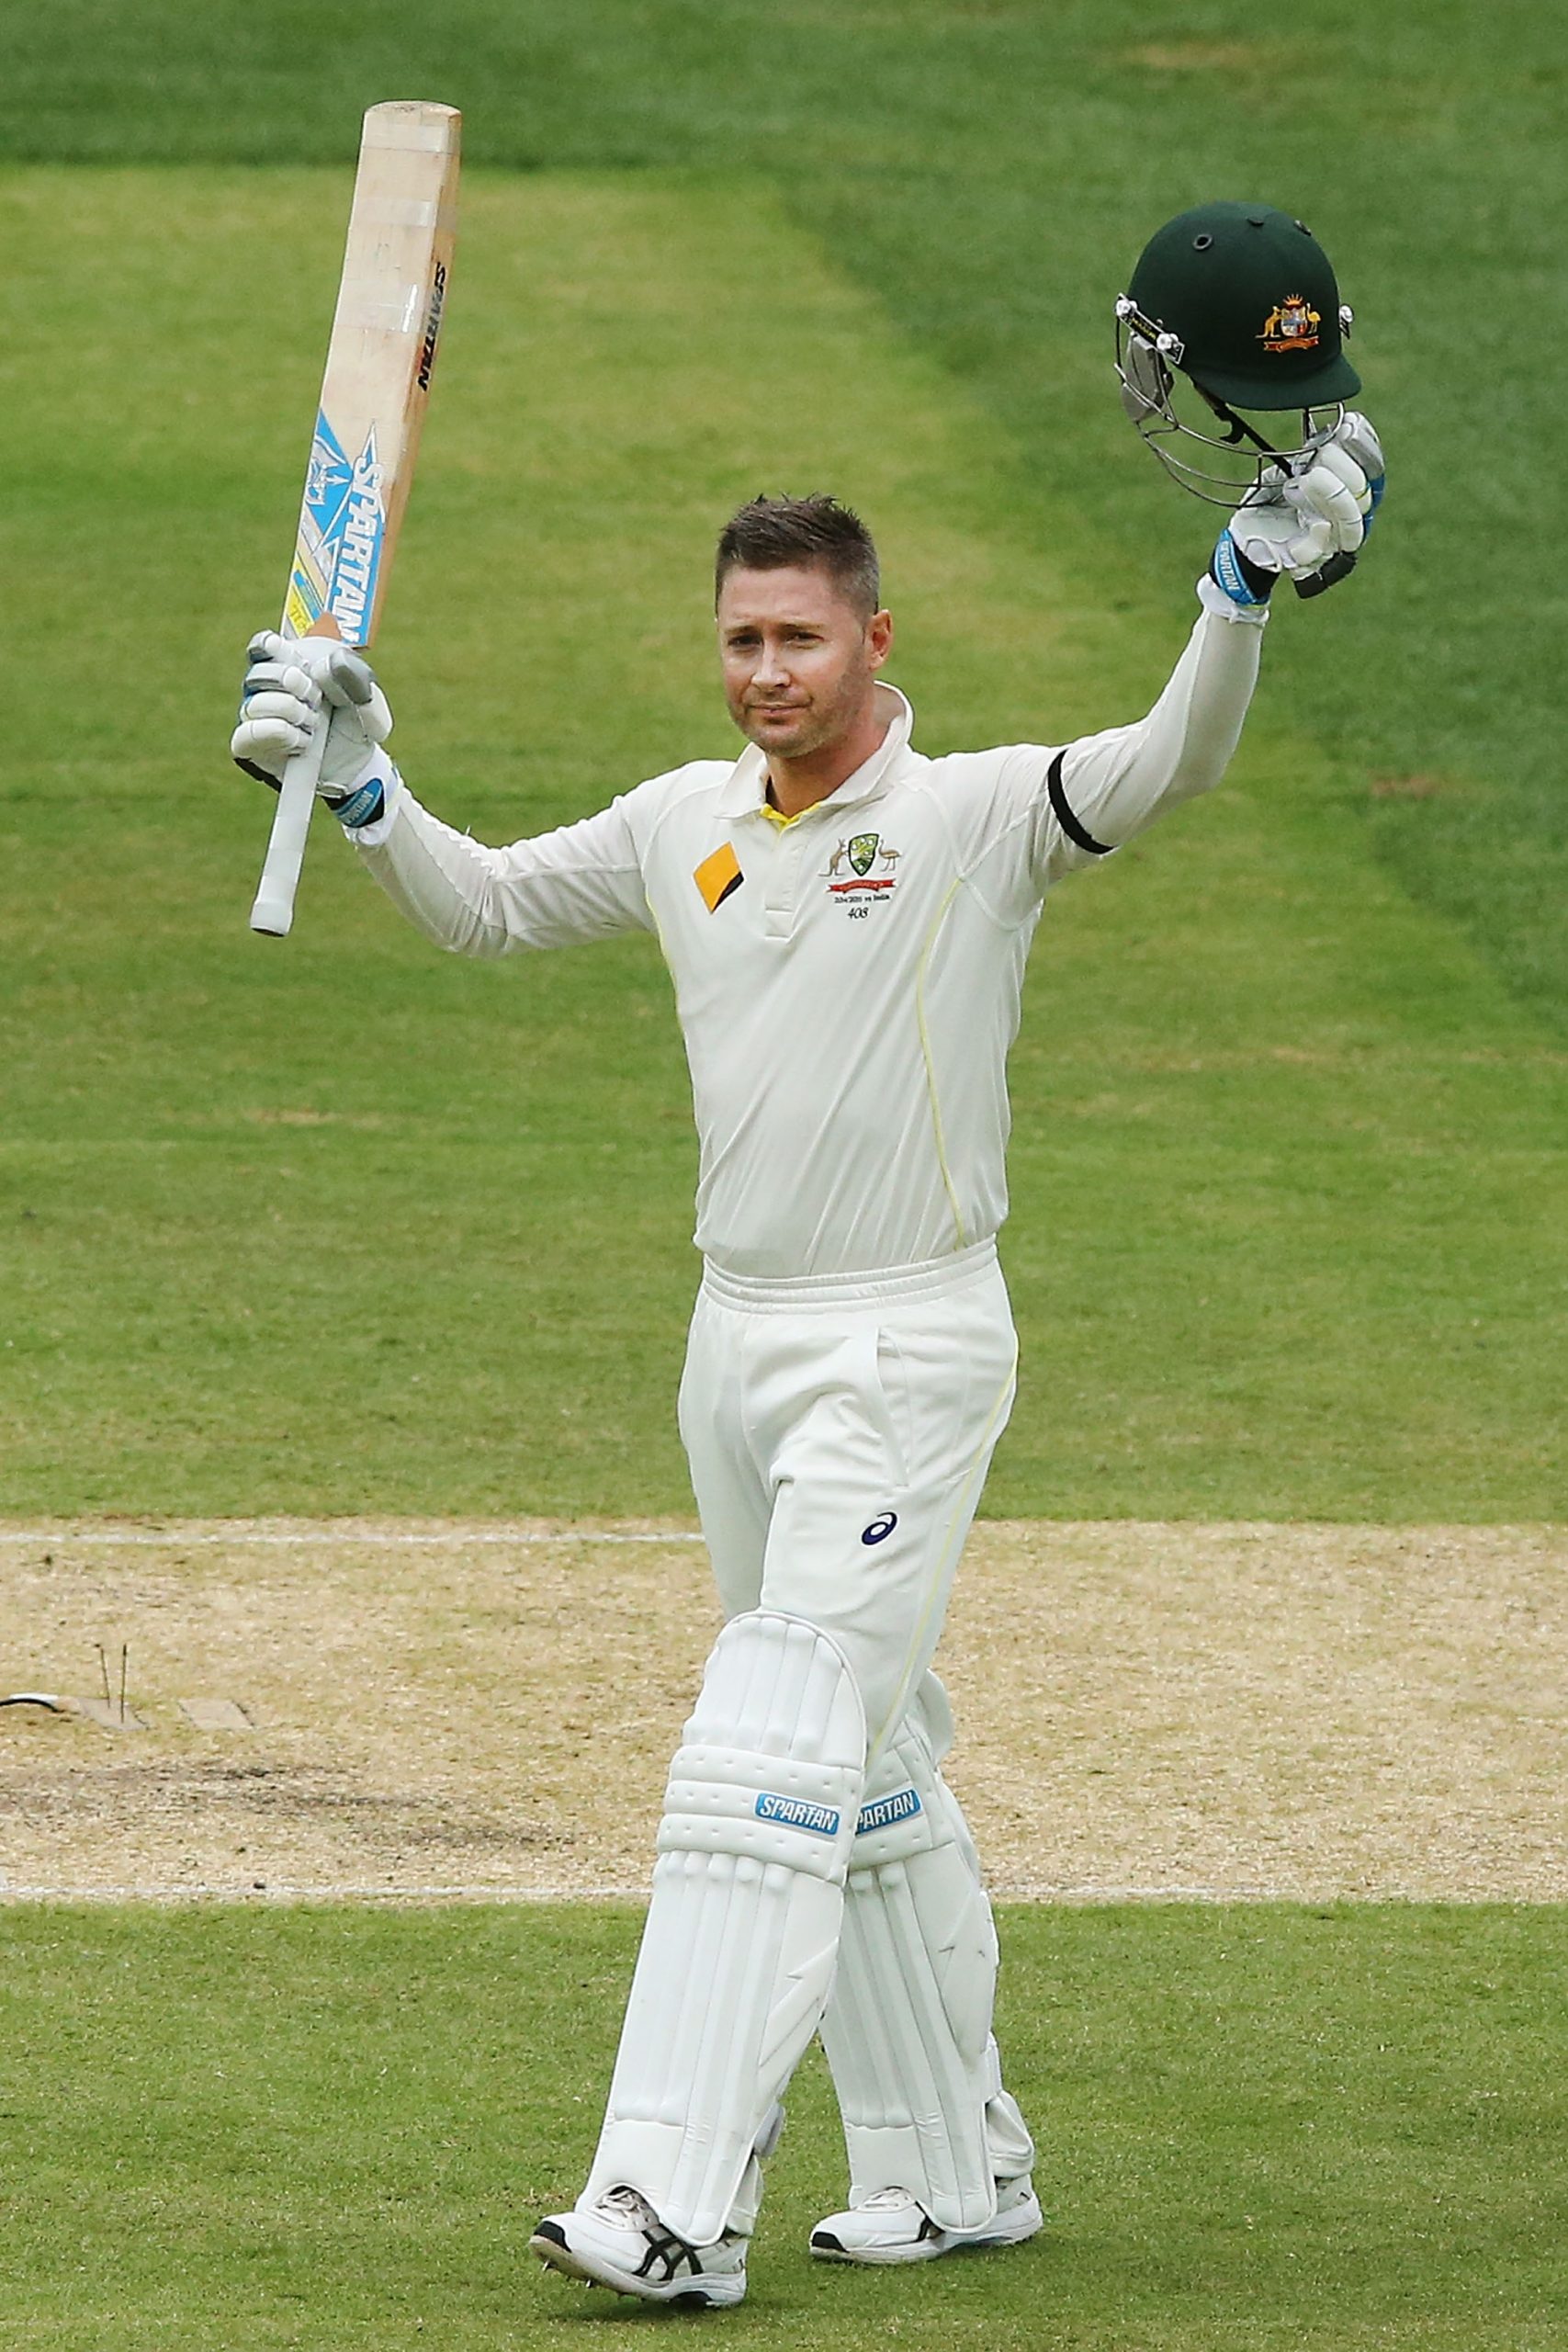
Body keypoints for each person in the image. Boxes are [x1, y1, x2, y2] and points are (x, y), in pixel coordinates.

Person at [231, 204, 1382, 2312]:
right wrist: (368, 777)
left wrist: (1231, 594)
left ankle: (667, 2195)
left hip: (905, 1342)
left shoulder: (972, 819)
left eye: (799, 638)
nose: (767, 669)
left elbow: (1171, 760)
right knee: (858, 1751)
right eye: (742, 638)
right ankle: (953, 2166)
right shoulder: (683, 816)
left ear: (871, 637)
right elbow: (489, 910)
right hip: (733, 1344)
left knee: (763, 1734)